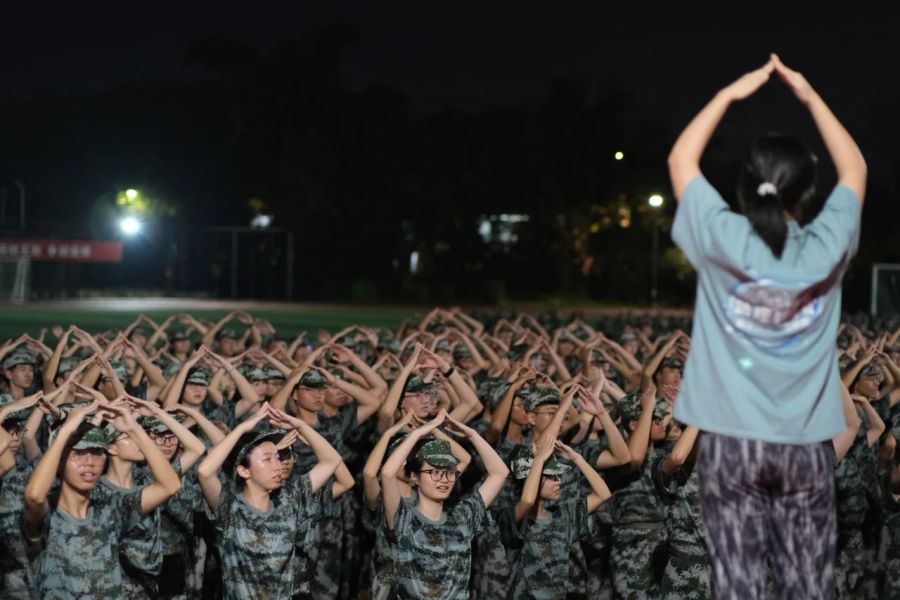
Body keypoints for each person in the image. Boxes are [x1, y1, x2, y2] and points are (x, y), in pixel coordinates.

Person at [667, 53, 867, 599]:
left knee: (738, 585)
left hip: (730, 443)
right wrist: (809, 95)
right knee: (808, 585)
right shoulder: (827, 246)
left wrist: (729, 95)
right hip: (805, 444)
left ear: (747, 185)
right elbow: (855, 171)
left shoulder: (723, 237)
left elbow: (681, 159)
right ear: (808, 190)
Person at [381, 409, 509, 599]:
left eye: (449, 472)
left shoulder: (462, 517)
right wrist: (419, 433)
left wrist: (472, 435)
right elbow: (387, 473)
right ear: (414, 477)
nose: (444, 479)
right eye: (434, 472)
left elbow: (499, 473)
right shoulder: (405, 519)